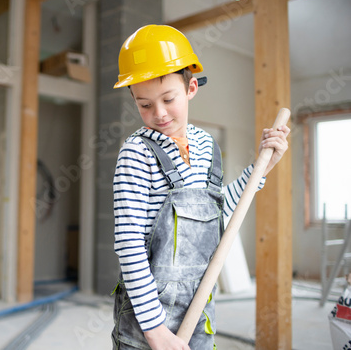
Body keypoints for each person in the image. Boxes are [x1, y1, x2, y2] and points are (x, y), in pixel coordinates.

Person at [111, 24, 290, 350]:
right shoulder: (136, 154)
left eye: (168, 98)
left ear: (191, 87)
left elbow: (219, 210)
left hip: (199, 304)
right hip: (146, 317)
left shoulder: (206, 145)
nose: (159, 113)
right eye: (144, 104)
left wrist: (263, 166)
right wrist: (155, 331)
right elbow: (129, 244)